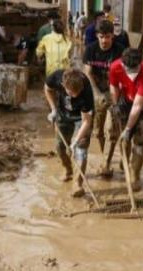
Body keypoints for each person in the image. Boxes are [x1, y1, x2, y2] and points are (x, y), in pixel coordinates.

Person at [105, 48, 143, 191]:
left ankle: (135, 173)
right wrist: (116, 105)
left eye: (136, 70)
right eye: (129, 70)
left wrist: (129, 129)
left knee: (140, 139)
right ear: (123, 65)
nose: (133, 74)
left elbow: (138, 106)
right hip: (125, 100)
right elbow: (114, 86)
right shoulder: (115, 67)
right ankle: (125, 161)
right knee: (122, 136)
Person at [44, 68, 95, 197]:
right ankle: (68, 169)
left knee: (80, 149)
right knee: (60, 147)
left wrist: (76, 141)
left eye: (78, 92)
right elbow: (47, 89)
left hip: (81, 118)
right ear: (63, 85)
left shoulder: (86, 91)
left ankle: (77, 184)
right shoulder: (56, 77)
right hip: (62, 114)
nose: (75, 96)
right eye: (72, 93)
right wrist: (53, 109)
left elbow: (86, 122)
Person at [82, 20, 124, 166]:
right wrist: (96, 93)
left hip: (114, 93)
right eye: (101, 37)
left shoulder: (120, 51)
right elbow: (87, 72)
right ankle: (103, 154)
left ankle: (107, 161)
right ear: (97, 36)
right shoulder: (90, 49)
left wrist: (116, 97)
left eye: (107, 37)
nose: (104, 40)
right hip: (96, 93)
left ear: (112, 36)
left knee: (112, 130)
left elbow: (124, 75)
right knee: (97, 131)